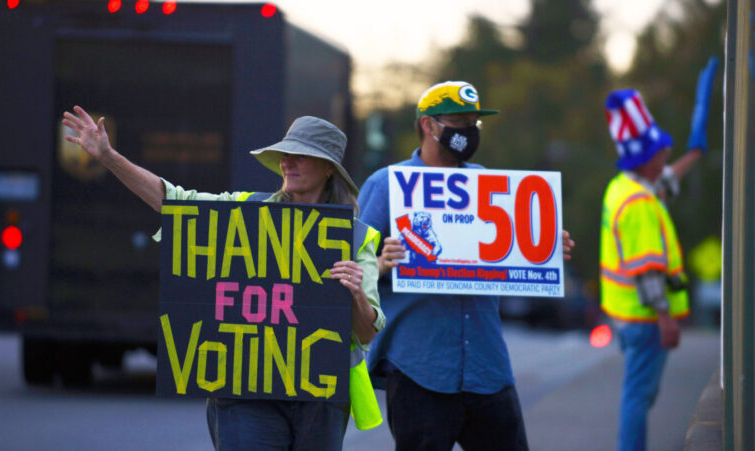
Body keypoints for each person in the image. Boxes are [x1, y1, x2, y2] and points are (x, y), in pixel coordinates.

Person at [62, 107, 385, 450]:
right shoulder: (244, 214)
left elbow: (366, 332)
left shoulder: (354, 238)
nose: (287, 163)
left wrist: (355, 296)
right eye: (284, 155)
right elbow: (172, 201)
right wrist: (108, 157)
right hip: (246, 392)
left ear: (328, 168)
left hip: (319, 400)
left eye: (300, 156)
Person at [357, 81, 575, 451]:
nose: (469, 131)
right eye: (458, 121)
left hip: (487, 365)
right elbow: (347, 266)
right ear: (428, 125)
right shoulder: (388, 185)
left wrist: (546, 249)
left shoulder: (489, 184)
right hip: (418, 367)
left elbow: (508, 252)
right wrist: (379, 264)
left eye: (474, 122)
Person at [599, 57, 717, 451]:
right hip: (646, 317)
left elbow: (665, 181)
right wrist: (666, 318)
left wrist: (693, 155)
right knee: (638, 399)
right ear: (646, 158)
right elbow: (647, 270)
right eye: (662, 151)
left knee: (637, 396)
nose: (666, 155)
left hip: (627, 316)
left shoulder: (626, 187)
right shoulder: (640, 205)